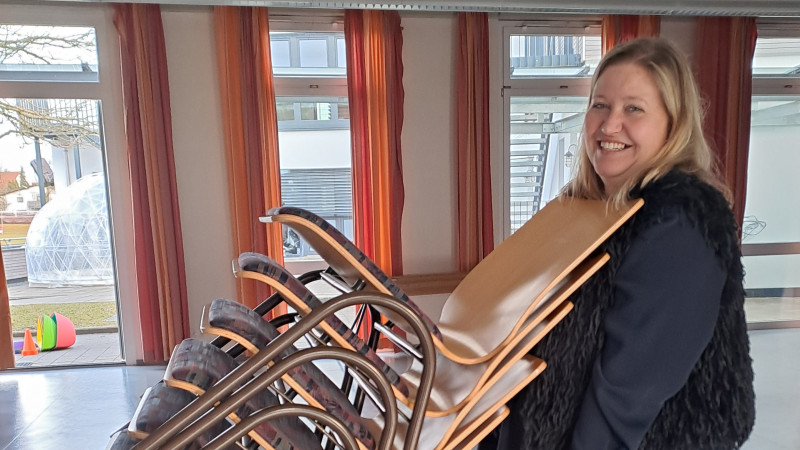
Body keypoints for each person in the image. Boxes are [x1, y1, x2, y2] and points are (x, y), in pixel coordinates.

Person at [480, 37, 755, 449]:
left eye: (634, 109)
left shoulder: (678, 223)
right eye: (600, 105)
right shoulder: (587, 213)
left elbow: (624, 396)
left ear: (673, 124)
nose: (609, 125)